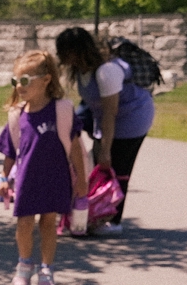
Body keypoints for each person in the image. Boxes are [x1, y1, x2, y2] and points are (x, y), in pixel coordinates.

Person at [0, 51, 87, 285]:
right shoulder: (17, 115)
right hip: (27, 179)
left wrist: (82, 181)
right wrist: (4, 178)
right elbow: (10, 152)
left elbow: (76, 148)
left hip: (55, 176)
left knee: (48, 223)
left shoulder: (62, 110)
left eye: (25, 80)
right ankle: (24, 265)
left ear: (46, 80)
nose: (19, 86)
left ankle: (47, 271)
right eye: (16, 81)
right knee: (24, 223)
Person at [55, 27, 154, 235]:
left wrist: (106, 149)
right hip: (106, 118)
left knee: (118, 168)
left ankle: (114, 221)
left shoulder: (106, 72)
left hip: (133, 118)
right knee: (96, 167)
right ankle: (94, 213)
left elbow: (111, 112)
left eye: (64, 51)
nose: (60, 56)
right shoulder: (82, 71)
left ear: (76, 50)